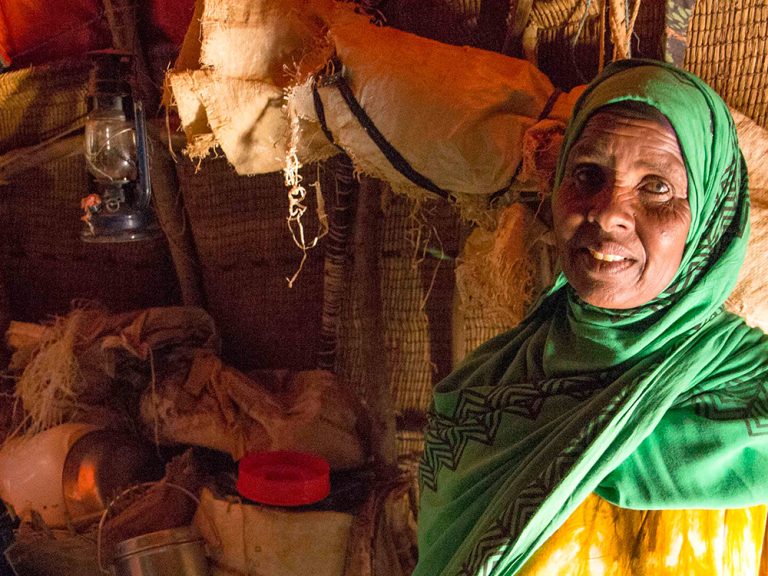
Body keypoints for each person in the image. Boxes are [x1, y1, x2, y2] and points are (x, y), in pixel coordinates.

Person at [414, 59, 768, 576]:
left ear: (710, 219)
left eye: (657, 187)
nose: (607, 212)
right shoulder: (483, 391)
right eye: (587, 175)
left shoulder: (751, 397)